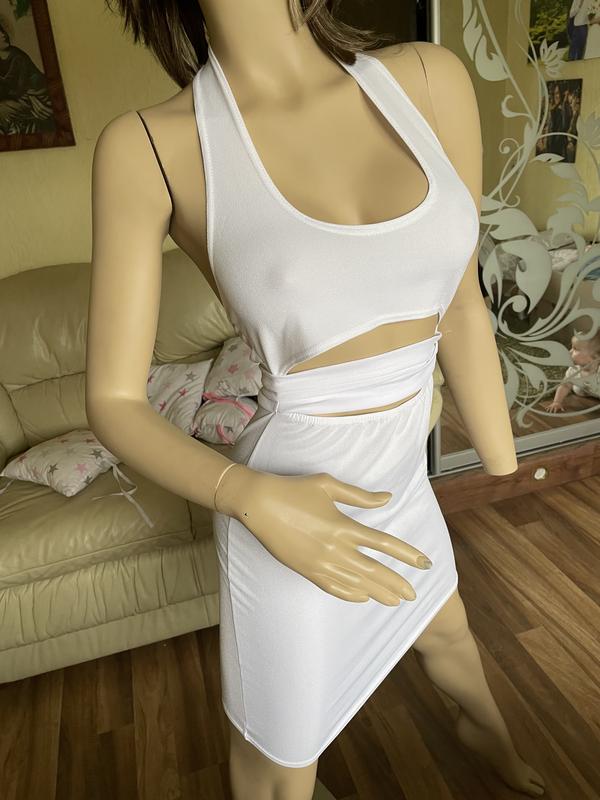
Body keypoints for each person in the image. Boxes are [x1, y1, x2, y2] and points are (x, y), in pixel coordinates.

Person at [87, 2, 546, 798]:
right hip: (287, 505)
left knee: (448, 632)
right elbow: (113, 401)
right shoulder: (151, 146)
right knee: (281, 763)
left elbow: (461, 298)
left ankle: (492, 744)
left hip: (398, 476)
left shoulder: (429, 79)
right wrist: (251, 498)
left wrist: (502, 456)